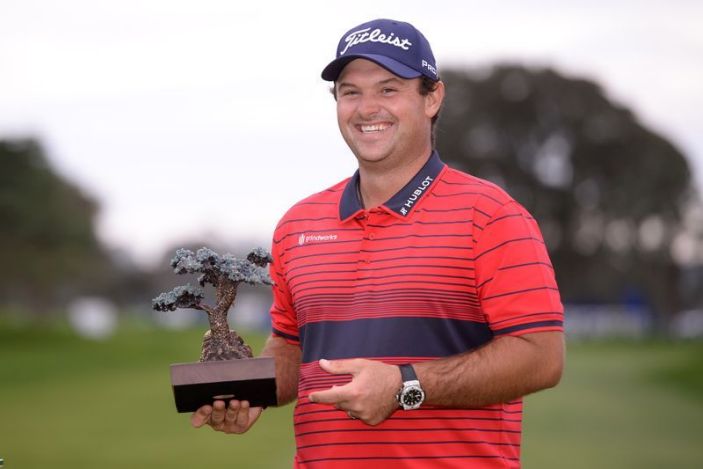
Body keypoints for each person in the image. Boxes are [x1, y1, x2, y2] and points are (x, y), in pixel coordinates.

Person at [192, 18, 565, 468]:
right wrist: (249, 393)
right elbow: (291, 348)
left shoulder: (491, 216)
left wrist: (404, 385)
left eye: (389, 89)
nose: (367, 108)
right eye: (351, 92)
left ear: (432, 98)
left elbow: (541, 357)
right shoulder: (298, 224)